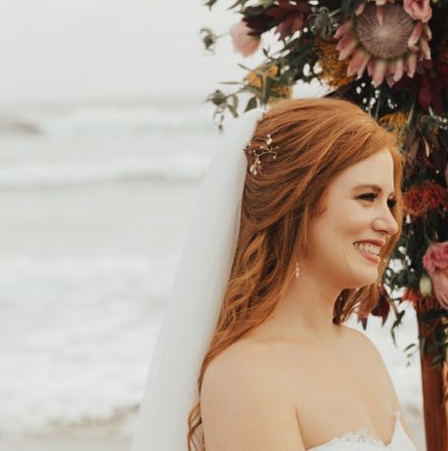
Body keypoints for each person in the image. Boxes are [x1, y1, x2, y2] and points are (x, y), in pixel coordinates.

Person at [131, 96, 418, 450]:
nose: (389, 224)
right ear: (297, 204)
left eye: (390, 202)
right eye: (366, 197)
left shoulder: (363, 352)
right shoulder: (244, 375)